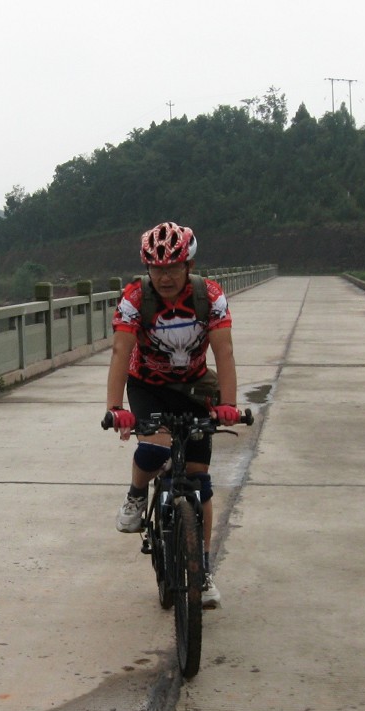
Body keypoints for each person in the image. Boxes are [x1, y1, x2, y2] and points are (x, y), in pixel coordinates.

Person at [105, 222, 241, 608]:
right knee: (154, 449)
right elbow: (120, 351)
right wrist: (116, 409)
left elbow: (224, 352)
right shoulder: (134, 297)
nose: (164, 277)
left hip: (194, 386)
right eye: (156, 268)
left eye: (173, 268)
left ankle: (202, 569)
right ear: (147, 268)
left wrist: (229, 405)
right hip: (147, 384)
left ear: (189, 265)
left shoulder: (210, 296)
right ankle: (136, 495)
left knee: (199, 480)